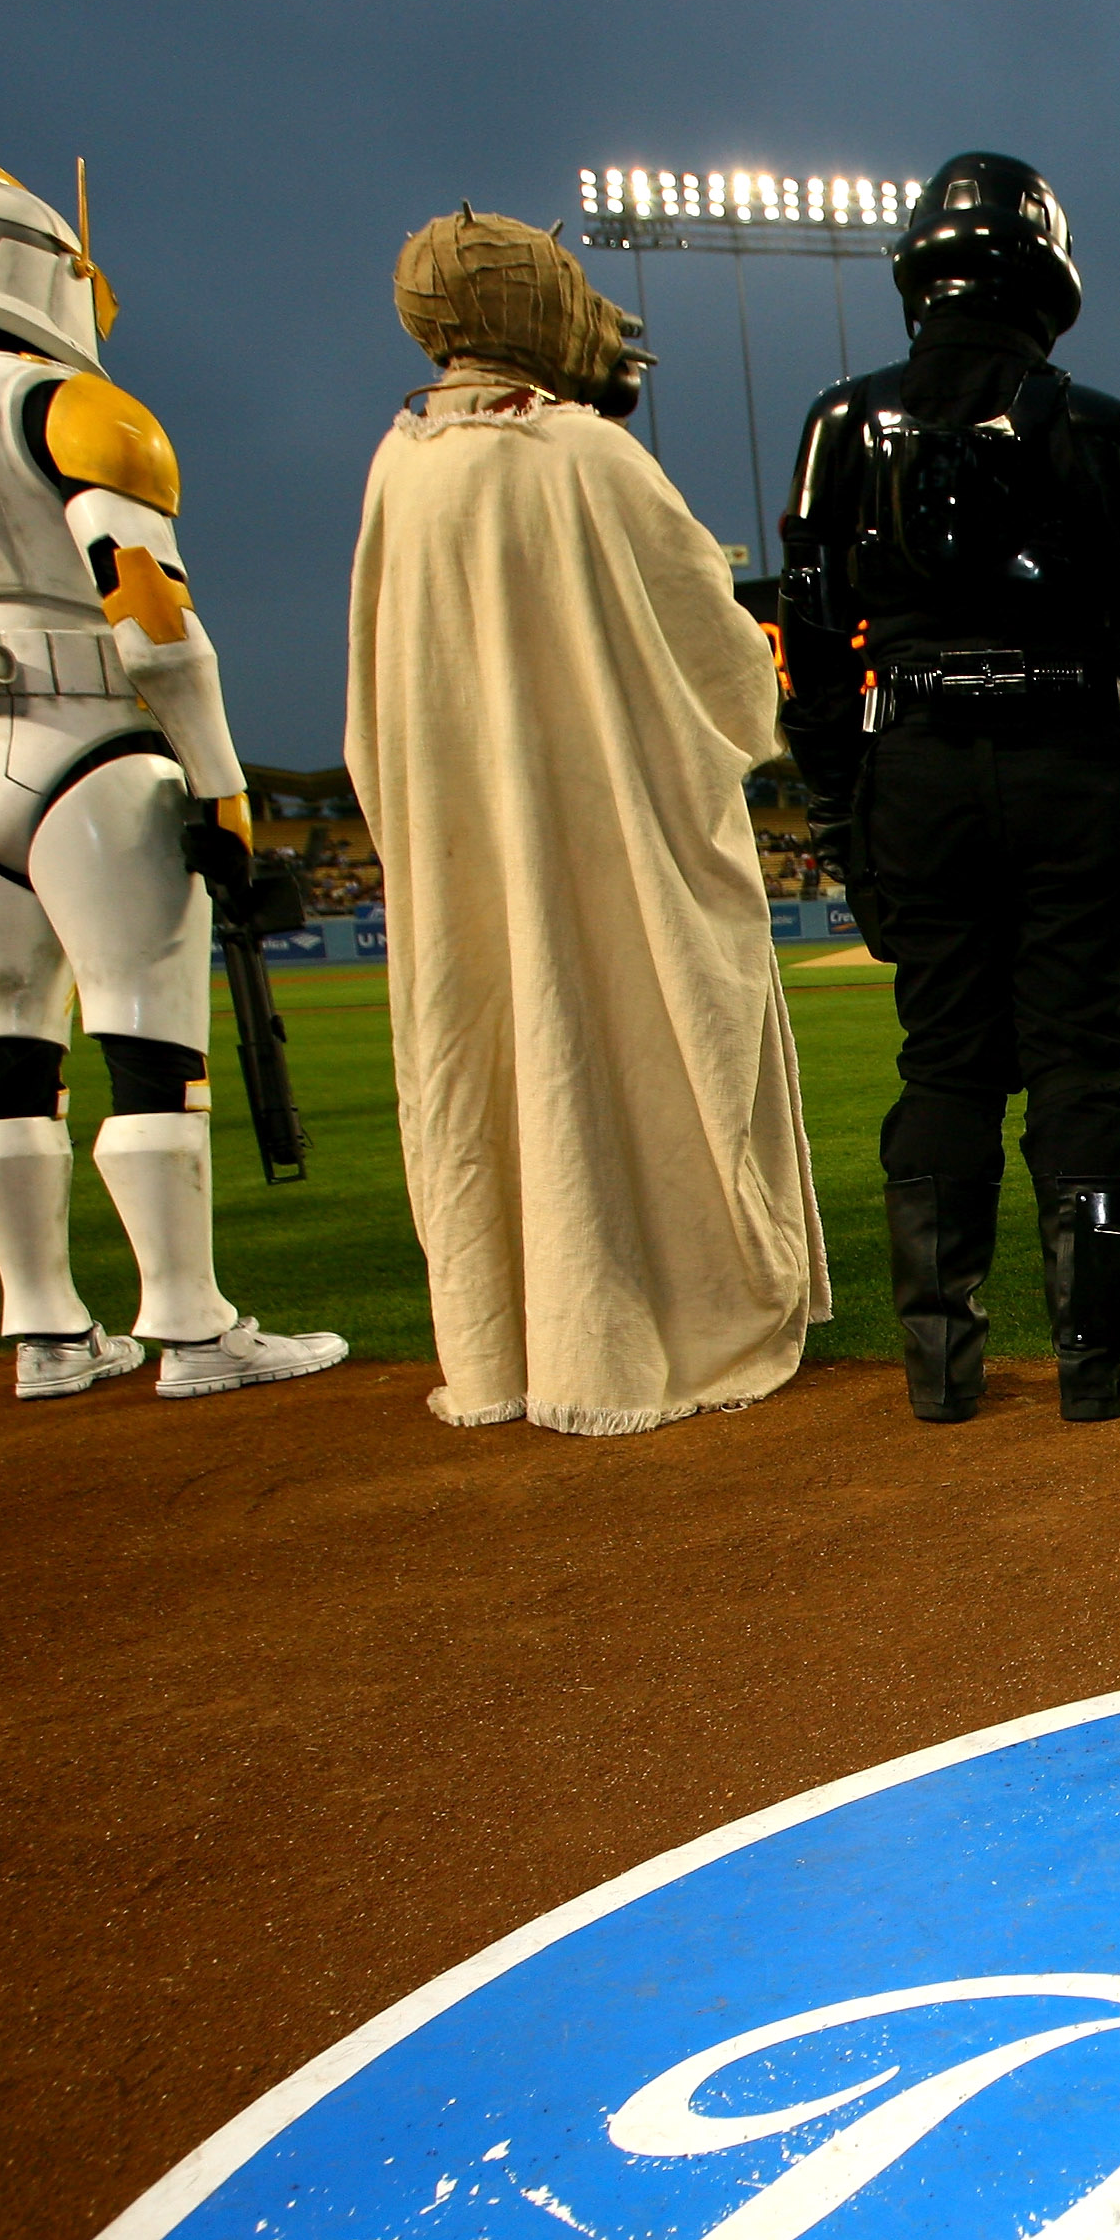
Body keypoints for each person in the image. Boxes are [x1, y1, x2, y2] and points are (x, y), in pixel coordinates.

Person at [0, 140, 344, 1401]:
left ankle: (44, 1331)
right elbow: (155, 626)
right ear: (56, 274)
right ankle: (190, 1330)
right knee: (149, 1033)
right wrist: (221, 792)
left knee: (1, 1041)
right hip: (91, 741)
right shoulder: (81, 410)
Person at [346, 210, 834, 1434]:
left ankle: (512, 1345)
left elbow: (370, 703)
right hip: (616, 842)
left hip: (464, 851)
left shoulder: (397, 464)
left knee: (495, 1078)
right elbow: (728, 673)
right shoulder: (586, 456)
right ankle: (666, 1323)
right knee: (644, 1061)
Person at [779, 156, 1120, 1423]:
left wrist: (841, 814)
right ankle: (1100, 1358)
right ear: (1049, 278)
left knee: (946, 1064)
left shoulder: (839, 425)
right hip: (1072, 763)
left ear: (919, 271)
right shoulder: (1096, 427)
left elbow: (809, 651)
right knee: (1078, 1060)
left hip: (914, 764)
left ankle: (940, 1366)